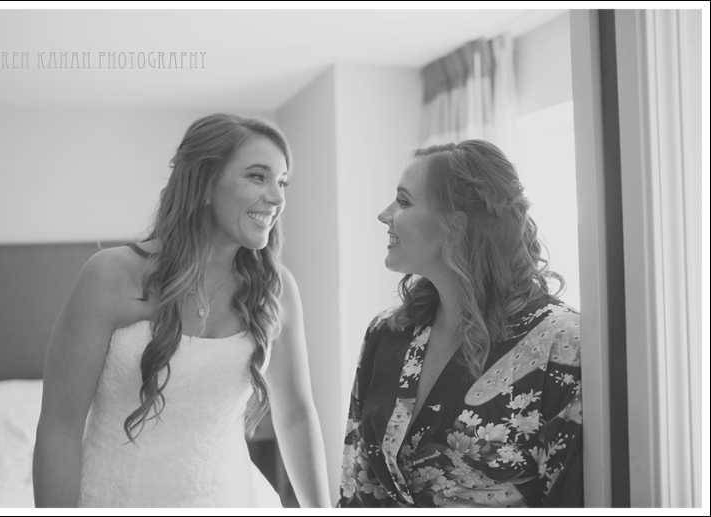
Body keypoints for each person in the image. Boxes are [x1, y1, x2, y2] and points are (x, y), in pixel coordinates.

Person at [33, 113, 331, 508]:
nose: (277, 198)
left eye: (282, 182)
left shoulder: (276, 289)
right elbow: (60, 429)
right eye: (258, 177)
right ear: (204, 184)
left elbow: (295, 417)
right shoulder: (110, 277)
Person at [338, 140, 582, 508]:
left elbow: (570, 496)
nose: (384, 214)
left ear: (457, 224)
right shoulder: (386, 333)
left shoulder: (561, 343)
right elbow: (356, 483)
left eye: (403, 201)